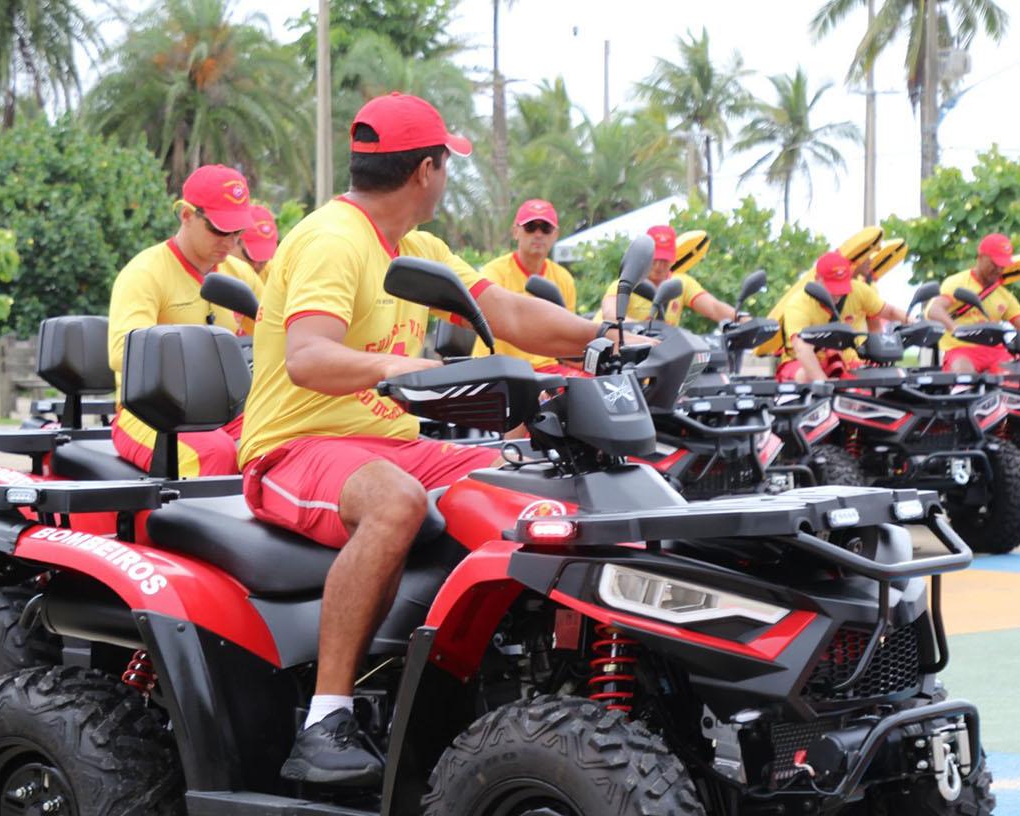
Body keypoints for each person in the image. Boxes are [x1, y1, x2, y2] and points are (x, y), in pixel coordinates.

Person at [237, 92, 653, 787]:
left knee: (520, 484)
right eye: (447, 164)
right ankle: (325, 719)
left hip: (390, 442)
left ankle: (509, 676)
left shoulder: (415, 247)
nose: (448, 175)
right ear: (426, 170)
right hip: (298, 443)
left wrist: (604, 336)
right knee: (397, 503)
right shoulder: (332, 240)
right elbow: (307, 358)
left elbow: (505, 313)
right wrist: (392, 365)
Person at [107, 165, 264, 476]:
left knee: (275, 445)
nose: (230, 243)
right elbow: (121, 352)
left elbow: (273, 335)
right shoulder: (145, 272)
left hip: (227, 409)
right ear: (187, 216)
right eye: (220, 229)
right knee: (215, 454)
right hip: (150, 412)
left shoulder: (241, 274)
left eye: (237, 232)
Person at [473, 198, 583, 375]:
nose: (538, 234)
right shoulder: (493, 273)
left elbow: (567, 338)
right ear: (516, 231)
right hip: (499, 369)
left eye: (545, 228)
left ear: (555, 235)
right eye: (530, 227)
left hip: (547, 369)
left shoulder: (564, 278)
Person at [772, 250, 889, 383]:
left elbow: (889, 312)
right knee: (808, 375)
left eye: (841, 286)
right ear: (817, 279)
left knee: (885, 375)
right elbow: (802, 349)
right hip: (801, 362)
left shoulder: (858, 291)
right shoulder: (798, 304)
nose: (837, 294)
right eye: (832, 287)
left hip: (845, 361)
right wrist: (824, 384)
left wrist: (912, 321)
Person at [927, 233, 1020, 374]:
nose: (999, 270)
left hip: (996, 352)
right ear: (980, 257)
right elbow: (934, 310)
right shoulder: (958, 282)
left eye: (1003, 265)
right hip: (961, 350)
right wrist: (955, 328)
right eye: (994, 264)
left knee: (1017, 378)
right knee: (964, 374)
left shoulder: (1004, 295)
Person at [596, 225, 735, 325]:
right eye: (654, 259)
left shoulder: (681, 283)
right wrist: (640, 329)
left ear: (673, 258)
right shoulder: (624, 284)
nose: (658, 266)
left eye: (664, 260)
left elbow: (714, 308)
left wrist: (741, 318)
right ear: (645, 256)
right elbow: (610, 314)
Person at [232, 204, 280, 281]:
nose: (257, 266)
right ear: (232, 240)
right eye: (250, 258)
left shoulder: (272, 273)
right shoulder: (213, 271)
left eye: (264, 260)